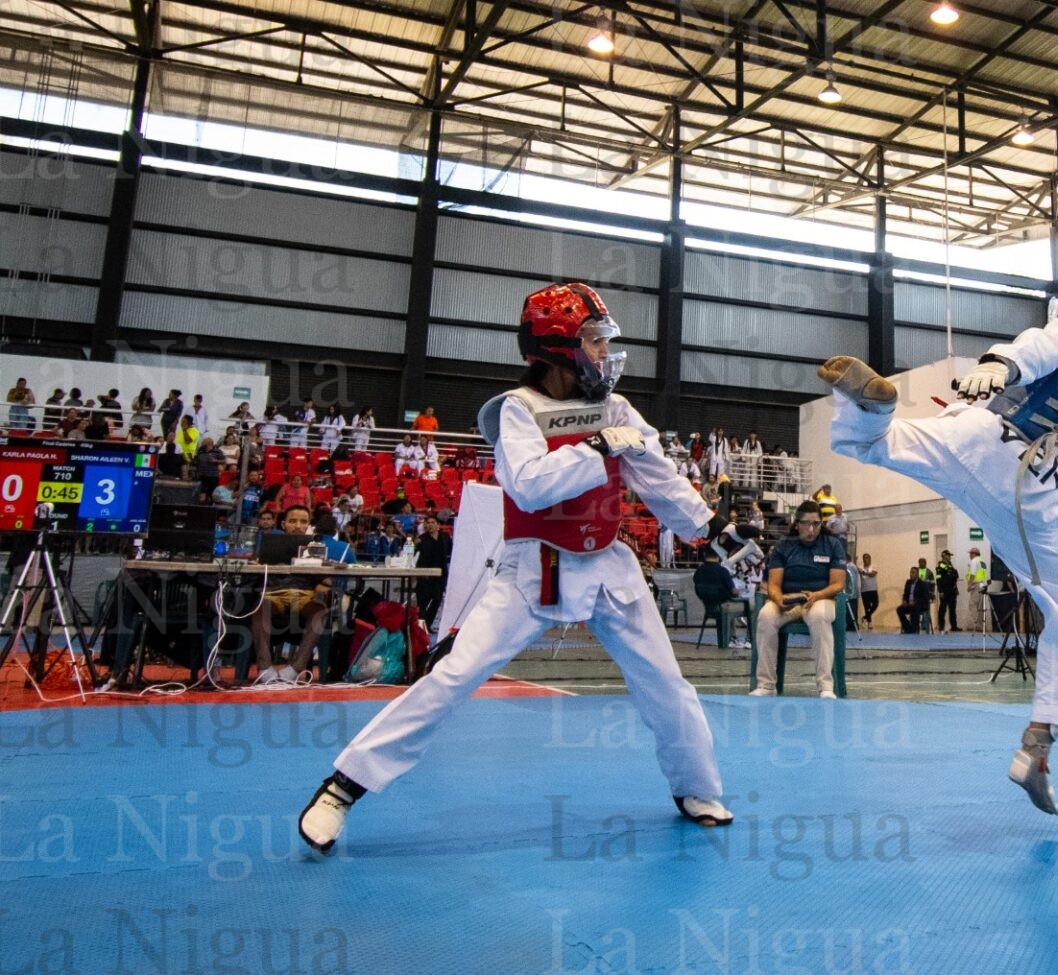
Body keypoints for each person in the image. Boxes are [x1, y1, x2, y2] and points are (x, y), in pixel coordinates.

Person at [297, 281, 735, 856]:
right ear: (558, 348)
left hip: (610, 566)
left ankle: (696, 788)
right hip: (533, 570)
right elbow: (528, 486)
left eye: (605, 340)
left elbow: (659, 480)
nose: (604, 352)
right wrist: (598, 446)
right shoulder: (517, 411)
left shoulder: (619, 408)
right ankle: (341, 787)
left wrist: (713, 529)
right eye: (594, 341)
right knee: (453, 678)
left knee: (665, 683)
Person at [819, 253, 1058, 815]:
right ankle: (1037, 745)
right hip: (1030, 495)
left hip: (977, 437)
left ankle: (872, 410)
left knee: (875, 443)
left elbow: (1034, 347)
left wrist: (999, 366)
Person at [748, 500, 846, 698]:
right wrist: (777, 599)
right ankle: (766, 685)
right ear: (797, 523)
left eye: (816, 524)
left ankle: (825, 687)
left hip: (820, 598)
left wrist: (817, 595)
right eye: (807, 524)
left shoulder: (833, 544)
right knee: (766, 616)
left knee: (819, 616)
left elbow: (838, 584)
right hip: (789, 599)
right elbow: (774, 584)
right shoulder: (784, 546)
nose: (812, 529)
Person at [251, 505, 331, 684]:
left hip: (304, 596)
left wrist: (322, 573)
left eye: (303, 522)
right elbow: (253, 569)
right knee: (258, 609)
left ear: (308, 525)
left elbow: (327, 584)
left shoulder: (316, 549)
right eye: (292, 521)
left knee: (320, 611)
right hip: (274, 595)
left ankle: (295, 669)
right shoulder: (267, 547)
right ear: (283, 524)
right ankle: (264, 668)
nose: (298, 525)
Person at [414, 514, 452, 628]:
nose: (429, 525)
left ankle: (428, 625)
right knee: (423, 603)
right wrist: (412, 544)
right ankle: (421, 628)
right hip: (425, 575)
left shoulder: (445, 537)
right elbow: (409, 552)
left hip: (440, 574)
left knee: (437, 600)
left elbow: (451, 551)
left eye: (432, 522)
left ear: (438, 525)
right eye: (428, 522)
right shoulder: (421, 539)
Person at [895, 567, 932, 634]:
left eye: (913, 573)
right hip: (909, 604)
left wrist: (915, 602)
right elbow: (905, 594)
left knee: (915, 607)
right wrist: (904, 600)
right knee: (899, 609)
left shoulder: (922, 584)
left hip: (920, 605)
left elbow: (925, 598)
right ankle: (908, 628)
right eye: (910, 572)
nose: (911, 574)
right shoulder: (908, 582)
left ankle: (914, 629)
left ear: (917, 574)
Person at [934, 549, 960, 633]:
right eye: (948, 555)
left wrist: (956, 589)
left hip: (952, 590)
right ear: (944, 555)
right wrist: (940, 591)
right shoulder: (940, 566)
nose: (950, 557)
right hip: (944, 590)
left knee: (952, 609)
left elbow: (956, 576)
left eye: (950, 556)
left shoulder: (950, 565)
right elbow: (938, 579)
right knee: (943, 609)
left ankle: (954, 626)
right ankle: (941, 626)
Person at [965, 546, 988, 628]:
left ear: (974, 554)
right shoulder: (982, 562)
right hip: (983, 585)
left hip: (976, 585)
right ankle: (981, 625)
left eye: (970, 553)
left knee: (972, 604)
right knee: (980, 606)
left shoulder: (974, 561)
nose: (969, 555)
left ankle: (977, 624)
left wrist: (969, 585)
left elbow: (972, 574)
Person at [858, 553, 879, 627]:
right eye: (864, 558)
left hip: (873, 589)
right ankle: (869, 623)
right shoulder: (860, 567)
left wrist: (864, 572)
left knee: (876, 604)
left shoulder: (874, 566)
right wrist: (864, 572)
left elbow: (872, 574)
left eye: (867, 558)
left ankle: (864, 617)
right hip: (864, 590)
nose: (865, 559)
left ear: (870, 559)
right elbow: (860, 571)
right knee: (867, 607)